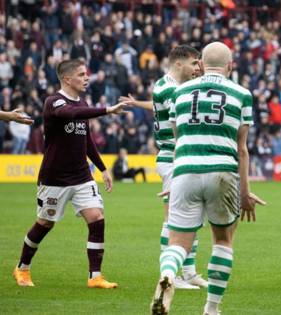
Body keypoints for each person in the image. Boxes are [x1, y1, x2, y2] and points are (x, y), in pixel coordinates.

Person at [150, 42, 266, 315]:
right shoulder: (242, 94)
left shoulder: (179, 92)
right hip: (222, 170)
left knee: (178, 242)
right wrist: (245, 192)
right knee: (222, 241)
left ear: (200, 65)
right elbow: (242, 149)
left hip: (184, 169)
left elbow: (178, 141)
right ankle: (211, 308)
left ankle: (168, 274)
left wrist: (174, 182)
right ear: (231, 65)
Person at [12, 59, 128, 289]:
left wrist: (103, 168)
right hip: (54, 177)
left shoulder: (82, 103)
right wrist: (106, 110)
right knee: (45, 223)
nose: (87, 78)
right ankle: (22, 268)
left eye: (87, 74)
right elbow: (71, 114)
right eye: (82, 74)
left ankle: (95, 276)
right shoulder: (53, 102)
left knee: (97, 218)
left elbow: (86, 141)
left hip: (82, 176)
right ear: (67, 79)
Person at [120, 45, 208, 289]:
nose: (197, 68)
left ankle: (188, 272)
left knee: (191, 217)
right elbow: (182, 119)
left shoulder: (167, 85)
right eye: (193, 63)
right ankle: (170, 275)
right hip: (173, 157)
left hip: (176, 156)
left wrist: (137, 103)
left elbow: (159, 105)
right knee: (172, 218)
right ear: (179, 64)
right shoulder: (171, 88)